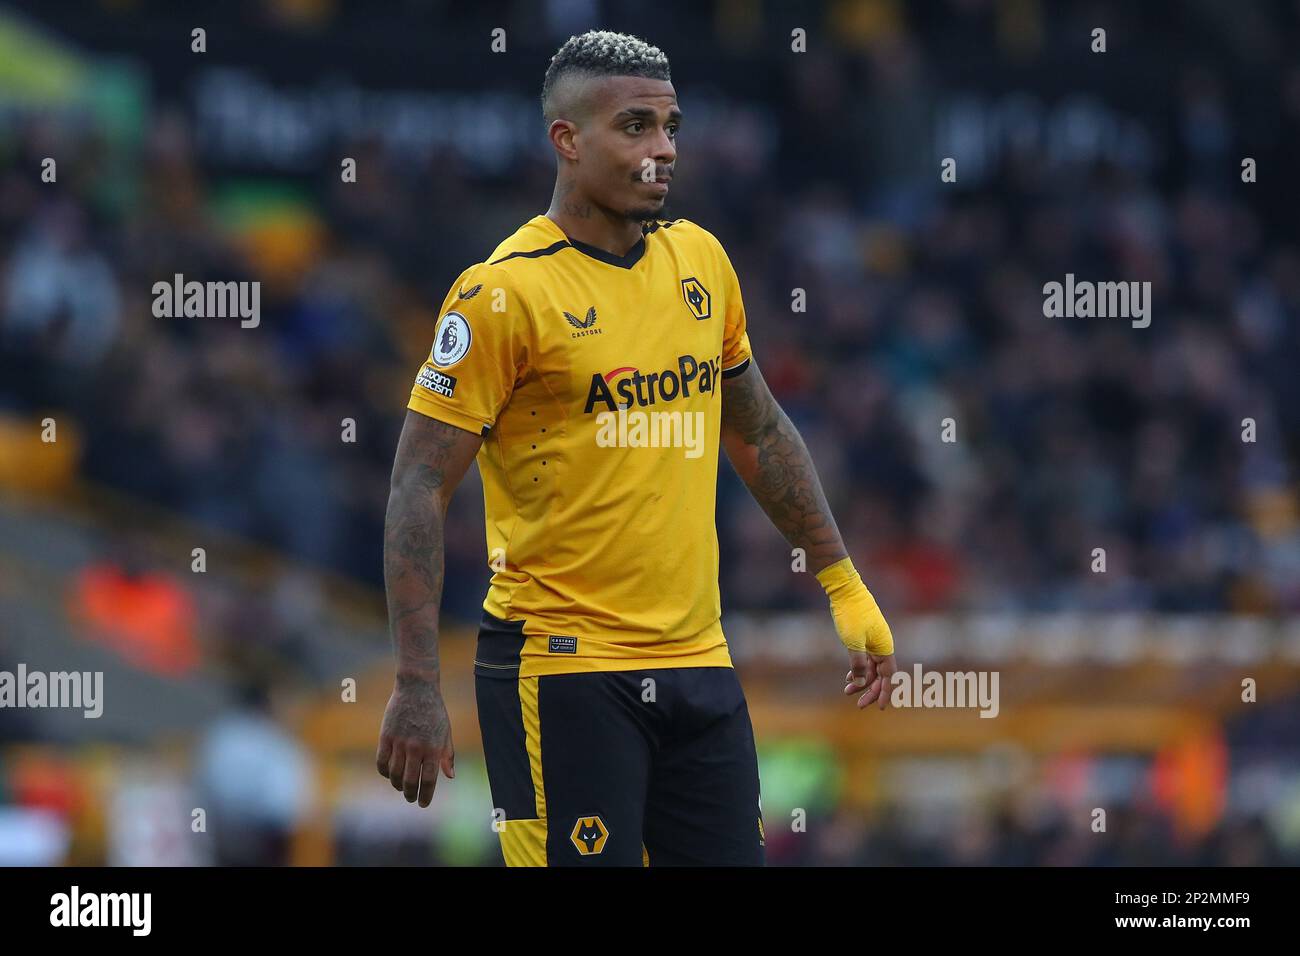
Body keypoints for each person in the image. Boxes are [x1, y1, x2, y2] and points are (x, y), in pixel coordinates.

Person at [377, 30, 897, 866]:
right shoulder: (503, 295)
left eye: (671, 127)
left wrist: (840, 577)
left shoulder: (702, 264)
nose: (662, 150)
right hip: (562, 670)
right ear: (567, 140)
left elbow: (757, 427)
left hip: (700, 662)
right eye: (635, 126)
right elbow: (417, 486)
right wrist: (415, 683)